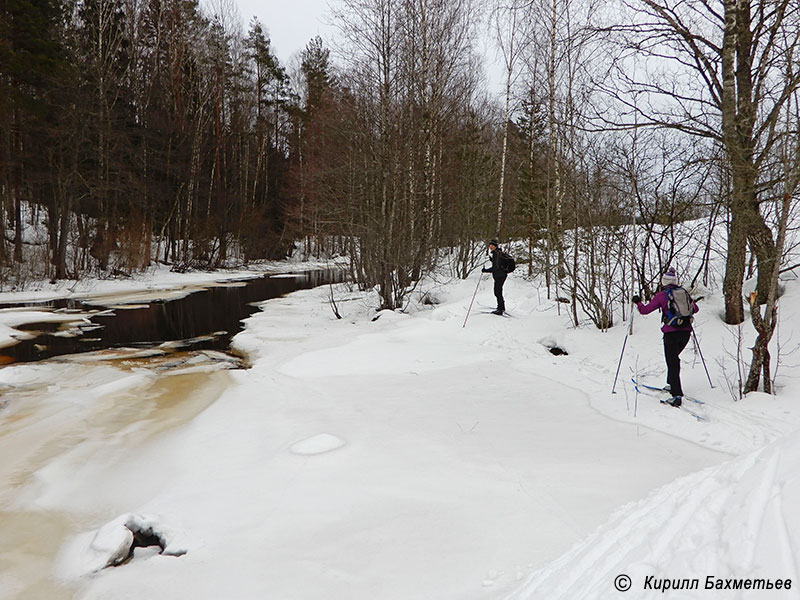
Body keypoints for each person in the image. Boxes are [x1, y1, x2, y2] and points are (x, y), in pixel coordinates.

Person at [632, 267, 699, 407]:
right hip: (686, 332)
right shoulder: (683, 292)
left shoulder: (662, 295)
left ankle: (676, 395)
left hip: (671, 333)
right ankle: (671, 384)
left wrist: (638, 302)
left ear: (664, 282)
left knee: (672, 361)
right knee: (674, 359)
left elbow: (645, 311)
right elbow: (696, 309)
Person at [482, 239, 507, 315]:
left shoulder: (496, 254)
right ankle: (501, 307)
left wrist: (485, 270)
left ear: (495, 246)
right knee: (498, 291)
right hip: (501, 275)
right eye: (490, 245)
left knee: (497, 292)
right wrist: (492, 260)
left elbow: (495, 268)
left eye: (492, 245)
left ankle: (500, 309)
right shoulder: (498, 253)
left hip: (500, 275)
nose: (491, 247)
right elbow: (498, 264)